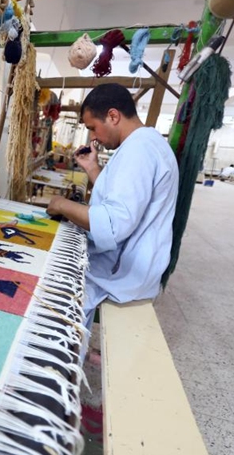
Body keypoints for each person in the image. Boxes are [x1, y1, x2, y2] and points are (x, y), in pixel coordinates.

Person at [45, 83, 179, 335]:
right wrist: (93, 169)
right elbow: (125, 196)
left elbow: (114, 224)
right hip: (130, 264)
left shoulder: (139, 150)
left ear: (113, 116)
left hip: (124, 274)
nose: (93, 138)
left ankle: (56, 366)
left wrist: (61, 204)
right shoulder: (143, 143)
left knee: (54, 302)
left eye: (93, 128)